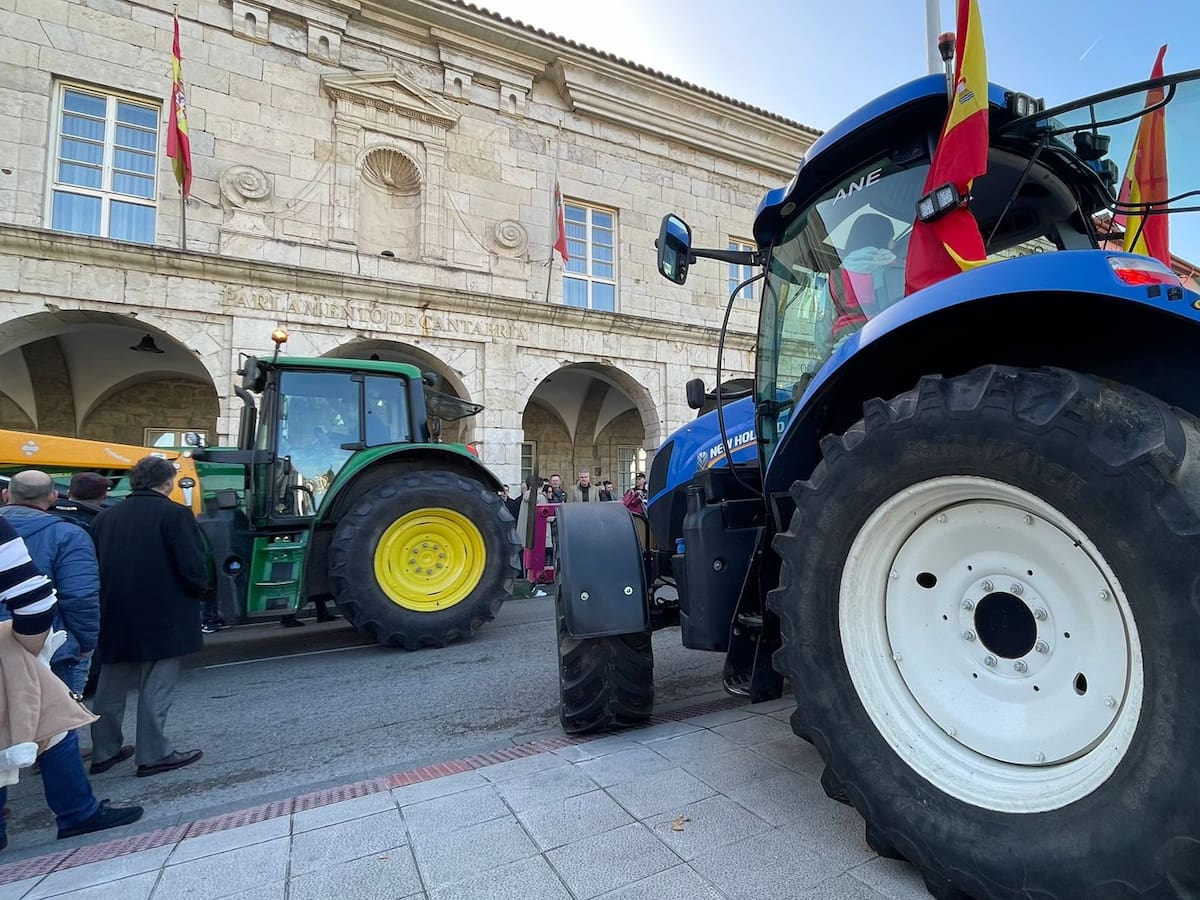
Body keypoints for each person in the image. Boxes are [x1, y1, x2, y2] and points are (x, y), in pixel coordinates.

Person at [0, 517, 142, 846]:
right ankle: (77, 812)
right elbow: (38, 600)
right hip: (13, 646)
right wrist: (30, 654)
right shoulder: (64, 531)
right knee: (54, 726)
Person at [90, 456, 206, 778]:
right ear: (168, 482)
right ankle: (154, 753)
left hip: (114, 609)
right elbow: (192, 567)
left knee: (110, 683)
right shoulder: (174, 514)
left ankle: (104, 750)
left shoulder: (105, 518)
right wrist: (199, 593)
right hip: (162, 611)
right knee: (156, 682)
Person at [0, 471, 100, 698]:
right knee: (56, 726)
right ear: (54, 497)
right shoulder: (71, 535)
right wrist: (84, 644)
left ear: (6, 495)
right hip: (50, 646)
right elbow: (80, 596)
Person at [814, 212, 900, 359]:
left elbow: (822, 338)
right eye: (892, 237)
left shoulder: (835, 278)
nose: (894, 242)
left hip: (846, 354)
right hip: (892, 345)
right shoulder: (900, 269)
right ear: (884, 239)